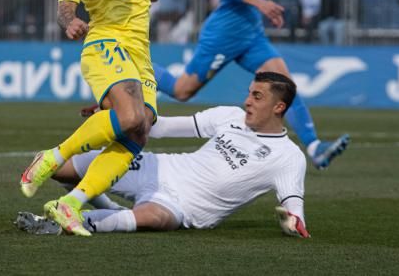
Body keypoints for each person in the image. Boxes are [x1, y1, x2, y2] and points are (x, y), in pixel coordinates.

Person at [19, 0, 178, 236]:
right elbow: (66, 2)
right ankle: (52, 158)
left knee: (139, 131)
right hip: (107, 41)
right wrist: (70, 20)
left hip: (140, 52)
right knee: (128, 115)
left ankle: (69, 203)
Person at [153, 0, 350, 170]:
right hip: (225, 31)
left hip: (252, 33)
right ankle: (136, 67)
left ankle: (315, 147)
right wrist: (261, 4)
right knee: (181, 90)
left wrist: (264, 8)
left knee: (284, 86)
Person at [16, 72, 310, 238]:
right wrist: (120, 115)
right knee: (59, 168)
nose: (247, 101)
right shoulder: (229, 116)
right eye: (249, 93)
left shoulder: (288, 157)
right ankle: (105, 206)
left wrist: (292, 222)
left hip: (183, 206)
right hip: (158, 169)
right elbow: (161, 127)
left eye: (257, 97)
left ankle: (65, 222)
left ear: (279, 107)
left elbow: (295, 209)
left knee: (153, 218)